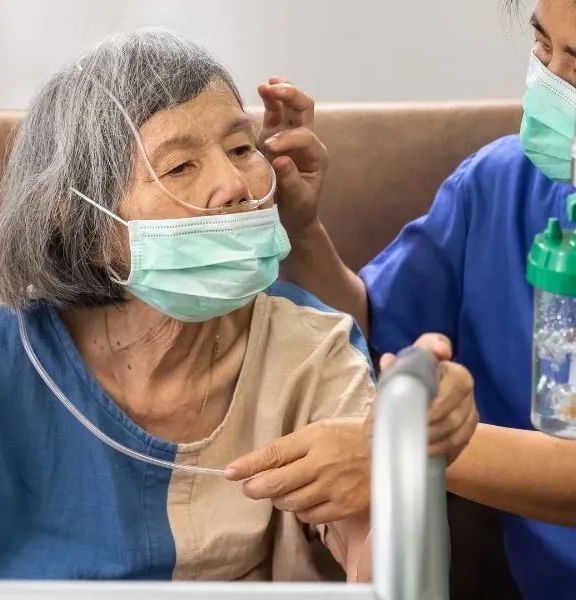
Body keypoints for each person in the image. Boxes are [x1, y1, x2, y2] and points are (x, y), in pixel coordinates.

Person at [0, 28, 474, 581]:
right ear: (82, 223)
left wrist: (406, 462)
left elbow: (382, 568)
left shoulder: (312, 352)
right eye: (179, 166)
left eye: (241, 149)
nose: (235, 183)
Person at [236, 0, 576, 597]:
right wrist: (300, 229)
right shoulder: (502, 188)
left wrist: (396, 447)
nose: (550, 85)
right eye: (544, 50)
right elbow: (368, 331)